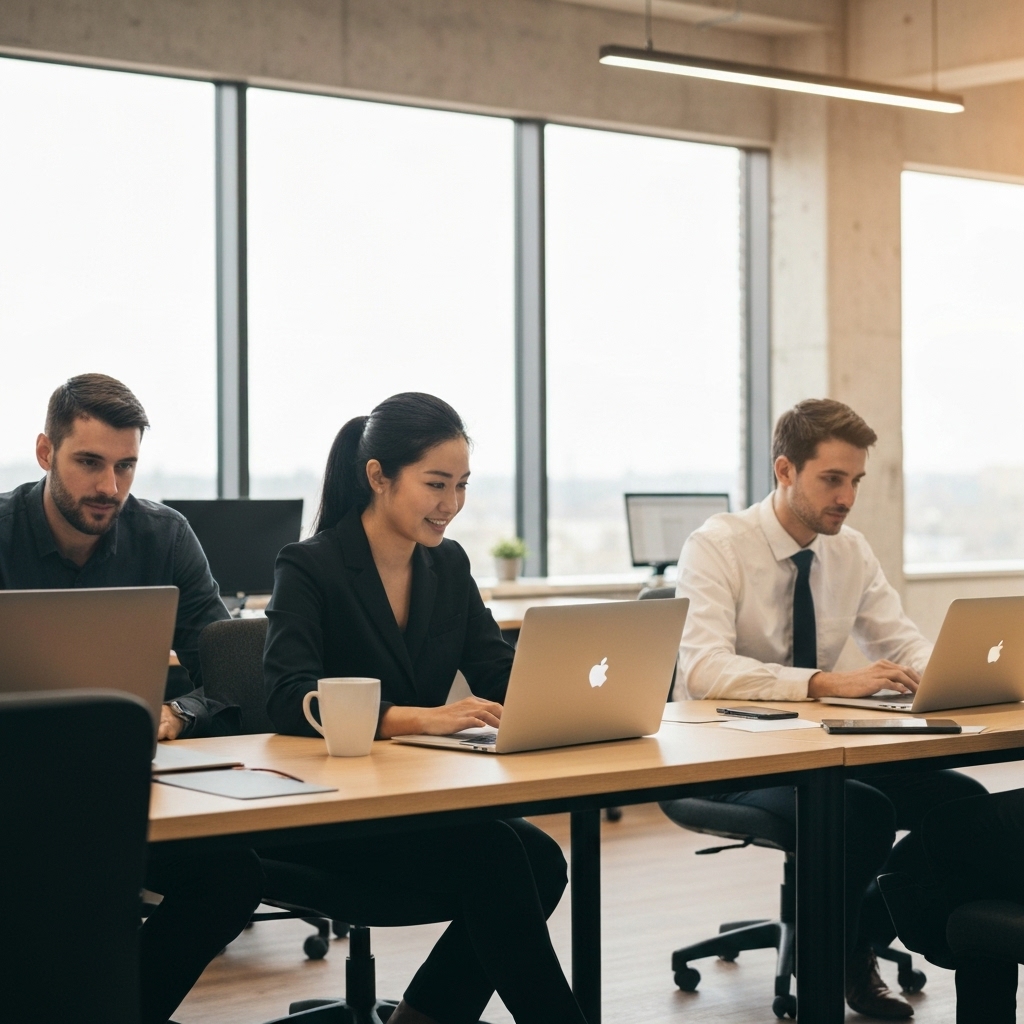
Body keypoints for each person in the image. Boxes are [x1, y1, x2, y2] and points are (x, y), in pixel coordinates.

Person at [263, 392, 587, 1024]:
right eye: (436, 484)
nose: (452, 505)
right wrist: (416, 717)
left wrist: (569, 694)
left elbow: (495, 665)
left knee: (541, 860)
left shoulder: (447, 566)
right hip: (329, 812)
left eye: (462, 485)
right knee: (496, 855)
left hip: (414, 803)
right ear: (378, 477)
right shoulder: (310, 566)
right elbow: (284, 696)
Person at [665, 398, 986, 1020]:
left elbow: (900, 641)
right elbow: (701, 670)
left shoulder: (850, 551)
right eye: (831, 480)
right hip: (729, 759)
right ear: (785, 471)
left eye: (856, 481)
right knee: (858, 810)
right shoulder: (717, 546)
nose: (847, 497)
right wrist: (823, 682)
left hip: (827, 752)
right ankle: (836, 962)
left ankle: (857, 937)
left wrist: (945, 674)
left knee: (964, 802)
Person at [0, 374, 263, 1024]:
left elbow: (230, 673)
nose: (109, 487)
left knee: (233, 878)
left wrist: (178, 713)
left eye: (125, 466)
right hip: (12, 792)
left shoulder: (163, 536)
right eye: (89, 463)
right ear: (44, 452)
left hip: (125, 789)